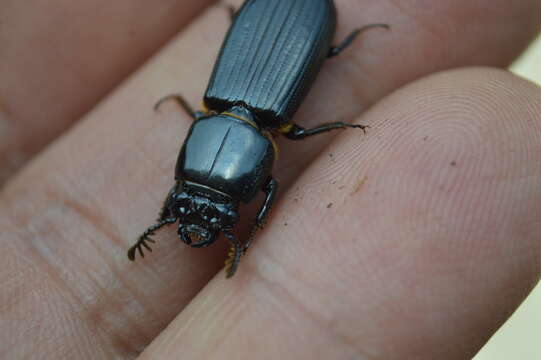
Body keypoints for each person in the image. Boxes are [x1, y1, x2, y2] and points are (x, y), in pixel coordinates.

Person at [1, 1, 540, 358]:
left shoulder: (233, 120)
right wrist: (239, 227)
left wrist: (242, 226)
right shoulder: (233, 125)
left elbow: (267, 187)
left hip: (288, 21)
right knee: (316, 65)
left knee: (321, 62)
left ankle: (332, 44)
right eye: (207, 207)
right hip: (280, 34)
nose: (201, 222)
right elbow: (261, 186)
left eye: (187, 200)